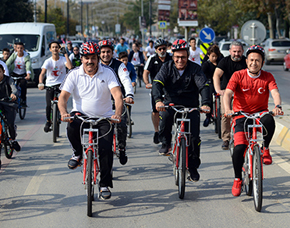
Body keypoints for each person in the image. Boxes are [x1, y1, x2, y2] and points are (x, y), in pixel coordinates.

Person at [58, 41, 123, 200]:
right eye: (86, 58)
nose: (90, 61)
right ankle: (77, 153)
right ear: (82, 58)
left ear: (98, 58)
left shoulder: (108, 72)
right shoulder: (74, 74)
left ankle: (104, 185)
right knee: (72, 126)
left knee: (106, 150)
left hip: (104, 118)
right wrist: (64, 112)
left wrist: (117, 114)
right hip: (81, 115)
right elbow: (63, 97)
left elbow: (117, 96)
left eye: (93, 58)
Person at [223, 45, 283, 196]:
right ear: (246, 61)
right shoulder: (238, 75)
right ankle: (237, 179)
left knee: (269, 119)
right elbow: (228, 93)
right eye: (251, 60)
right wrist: (227, 109)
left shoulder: (267, 76)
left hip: (259, 113)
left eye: (257, 60)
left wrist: (277, 106)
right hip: (241, 115)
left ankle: (266, 149)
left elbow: (275, 92)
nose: (254, 63)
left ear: (262, 62)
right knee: (239, 148)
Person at [152, 39, 211, 181]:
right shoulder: (166, 67)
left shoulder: (195, 69)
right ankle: (166, 143)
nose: (180, 60)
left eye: (183, 57)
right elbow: (157, 83)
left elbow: (203, 86)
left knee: (194, 138)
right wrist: (158, 100)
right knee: (165, 117)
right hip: (171, 104)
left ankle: (193, 168)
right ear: (173, 56)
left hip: (191, 106)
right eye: (177, 57)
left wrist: (206, 104)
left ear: (188, 56)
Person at [99, 39, 134, 165]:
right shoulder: (95, 65)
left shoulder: (120, 65)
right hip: (101, 101)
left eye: (108, 52)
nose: (105, 54)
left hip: (117, 100)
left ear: (113, 52)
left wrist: (129, 94)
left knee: (121, 124)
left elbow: (126, 80)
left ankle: (122, 148)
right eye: (103, 52)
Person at [213, 41, 247, 150]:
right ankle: (226, 139)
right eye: (234, 51)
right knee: (225, 114)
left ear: (242, 51)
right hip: (226, 91)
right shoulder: (224, 61)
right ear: (230, 51)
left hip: (242, 92)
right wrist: (219, 90)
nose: (236, 54)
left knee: (244, 114)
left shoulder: (246, 61)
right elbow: (216, 75)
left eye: (239, 51)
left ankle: (243, 136)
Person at [38, 41, 73, 132]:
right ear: (50, 49)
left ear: (59, 49)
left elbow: (70, 67)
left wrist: (65, 54)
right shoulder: (47, 61)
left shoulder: (63, 59)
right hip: (50, 85)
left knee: (62, 101)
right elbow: (42, 73)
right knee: (49, 105)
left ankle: (62, 114)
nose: (55, 49)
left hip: (62, 84)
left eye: (56, 47)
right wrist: (41, 83)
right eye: (53, 47)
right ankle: (48, 121)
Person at [143, 38, 172, 144]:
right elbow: (146, 72)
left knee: (171, 109)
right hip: (156, 88)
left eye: (164, 48)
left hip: (169, 88)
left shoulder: (171, 58)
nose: (162, 51)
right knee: (155, 111)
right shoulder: (152, 59)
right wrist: (147, 83)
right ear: (156, 50)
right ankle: (156, 131)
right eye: (160, 49)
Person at [0, 64, 21, 153]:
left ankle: (13, 140)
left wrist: (13, 94)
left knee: (10, 123)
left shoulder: (9, 79)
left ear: (3, 72)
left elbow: (14, 89)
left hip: (9, 103)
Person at [6, 42, 34, 107]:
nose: (19, 50)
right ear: (16, 49)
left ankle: (23, 100)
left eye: (21, 48)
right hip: (14, 73)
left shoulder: (26, 56)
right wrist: (5, 72)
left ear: (23, 48)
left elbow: (28, 65)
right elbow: (8, 63)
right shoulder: (14, 55)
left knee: (23, 85)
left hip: (23, 74)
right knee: (10, 85)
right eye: (18, 48)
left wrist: (28, 74)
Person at [202, 44, 223, 127]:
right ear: (208, 56)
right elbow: (202, 75)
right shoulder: (206, 64)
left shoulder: (221, 61)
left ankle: (221, 111)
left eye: (216, 56)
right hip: (209, 81)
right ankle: (208, 116)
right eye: (212, 56)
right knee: (208, 96)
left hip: (219, 82)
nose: (214, 58)